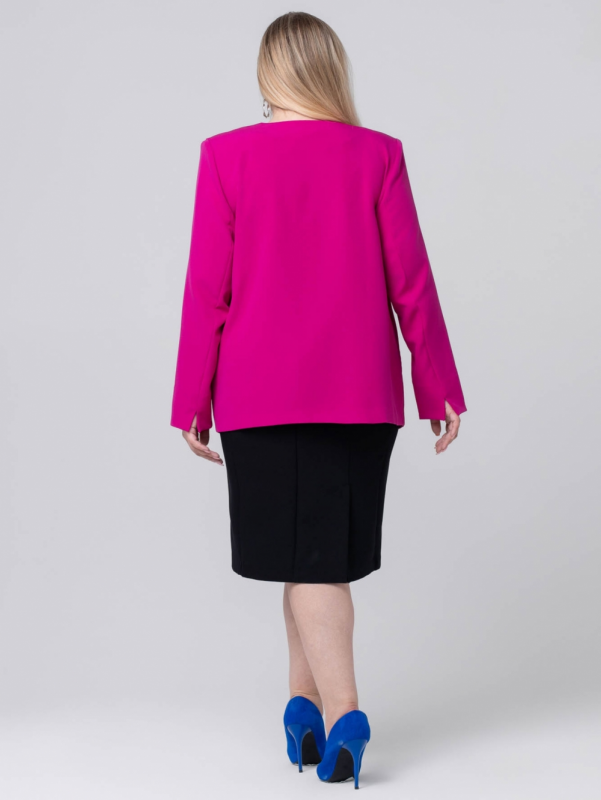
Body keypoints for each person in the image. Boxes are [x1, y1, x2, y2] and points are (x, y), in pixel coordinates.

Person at [170, 11, 466, 788]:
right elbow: (411, 282)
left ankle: (344, 713)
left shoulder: (226, 155)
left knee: (308, 559)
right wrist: (437, 386)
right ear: (330, 69)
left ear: (269, 72)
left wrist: (191, 399)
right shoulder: (376, 154)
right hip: (358, 394)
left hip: (256, 395)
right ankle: (301, 708)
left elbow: (207, 290)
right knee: (307, 556)